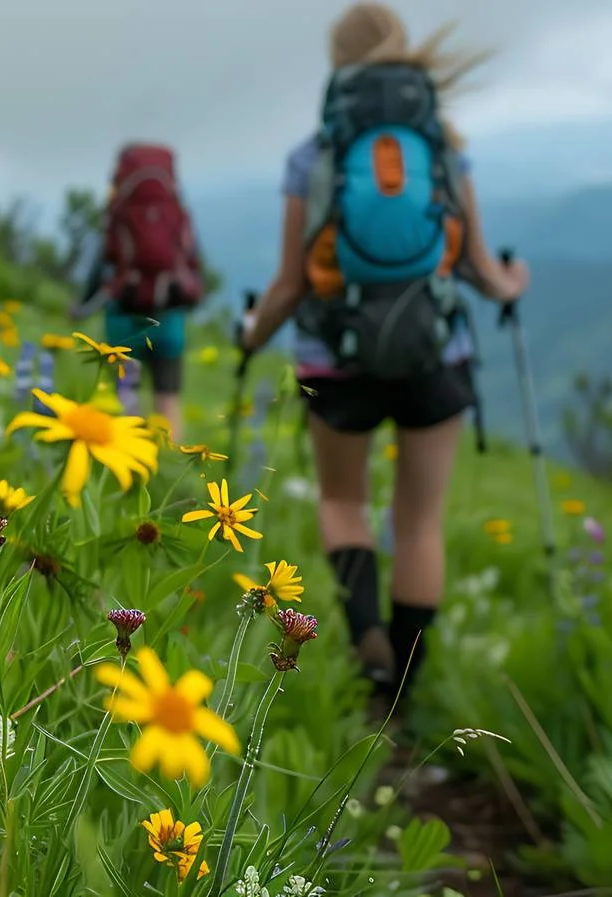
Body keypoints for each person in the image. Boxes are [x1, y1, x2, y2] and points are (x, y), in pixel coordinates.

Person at [238, 2, 531, 704]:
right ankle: (403, 682)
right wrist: (514, 282)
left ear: (338, 68)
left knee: (343, 499)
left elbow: (290, 283)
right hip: (436, 352)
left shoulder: (314, 157)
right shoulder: (442, 148)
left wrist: (250, 334)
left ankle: (364, 632)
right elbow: (480, 270)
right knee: (419, 518)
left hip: (336, 357)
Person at [74, 143, 207, 439]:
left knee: (125, 396)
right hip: (169, 319)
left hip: (124, 317)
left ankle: (126, 461)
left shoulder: (118, 210)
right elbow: (194, 262)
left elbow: (100, 266)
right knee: (168, 399)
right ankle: (168, 466)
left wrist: (82, 307)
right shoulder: (177, 211)